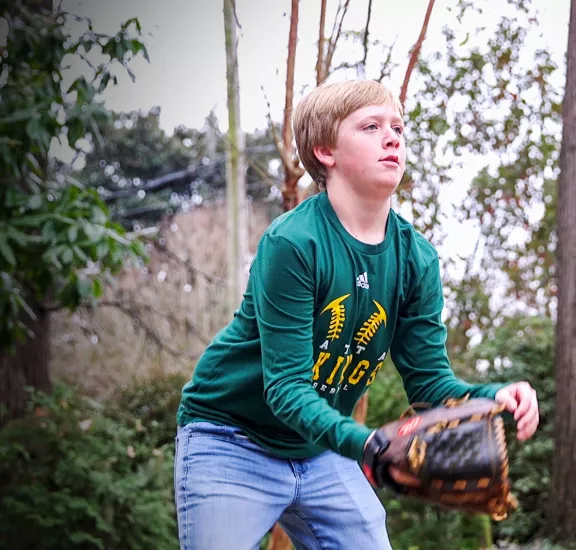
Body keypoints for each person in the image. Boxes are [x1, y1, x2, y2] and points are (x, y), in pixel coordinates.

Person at [173, 79, 540, 550]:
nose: (393, 138)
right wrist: (366, 444)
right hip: (232, 440)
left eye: (398, 129)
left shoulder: (416, 260)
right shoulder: (294, 244)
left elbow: (429, 385)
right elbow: (286, 388)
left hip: (322, 449)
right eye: (371, 126)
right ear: (326, 151)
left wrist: (495, 396)